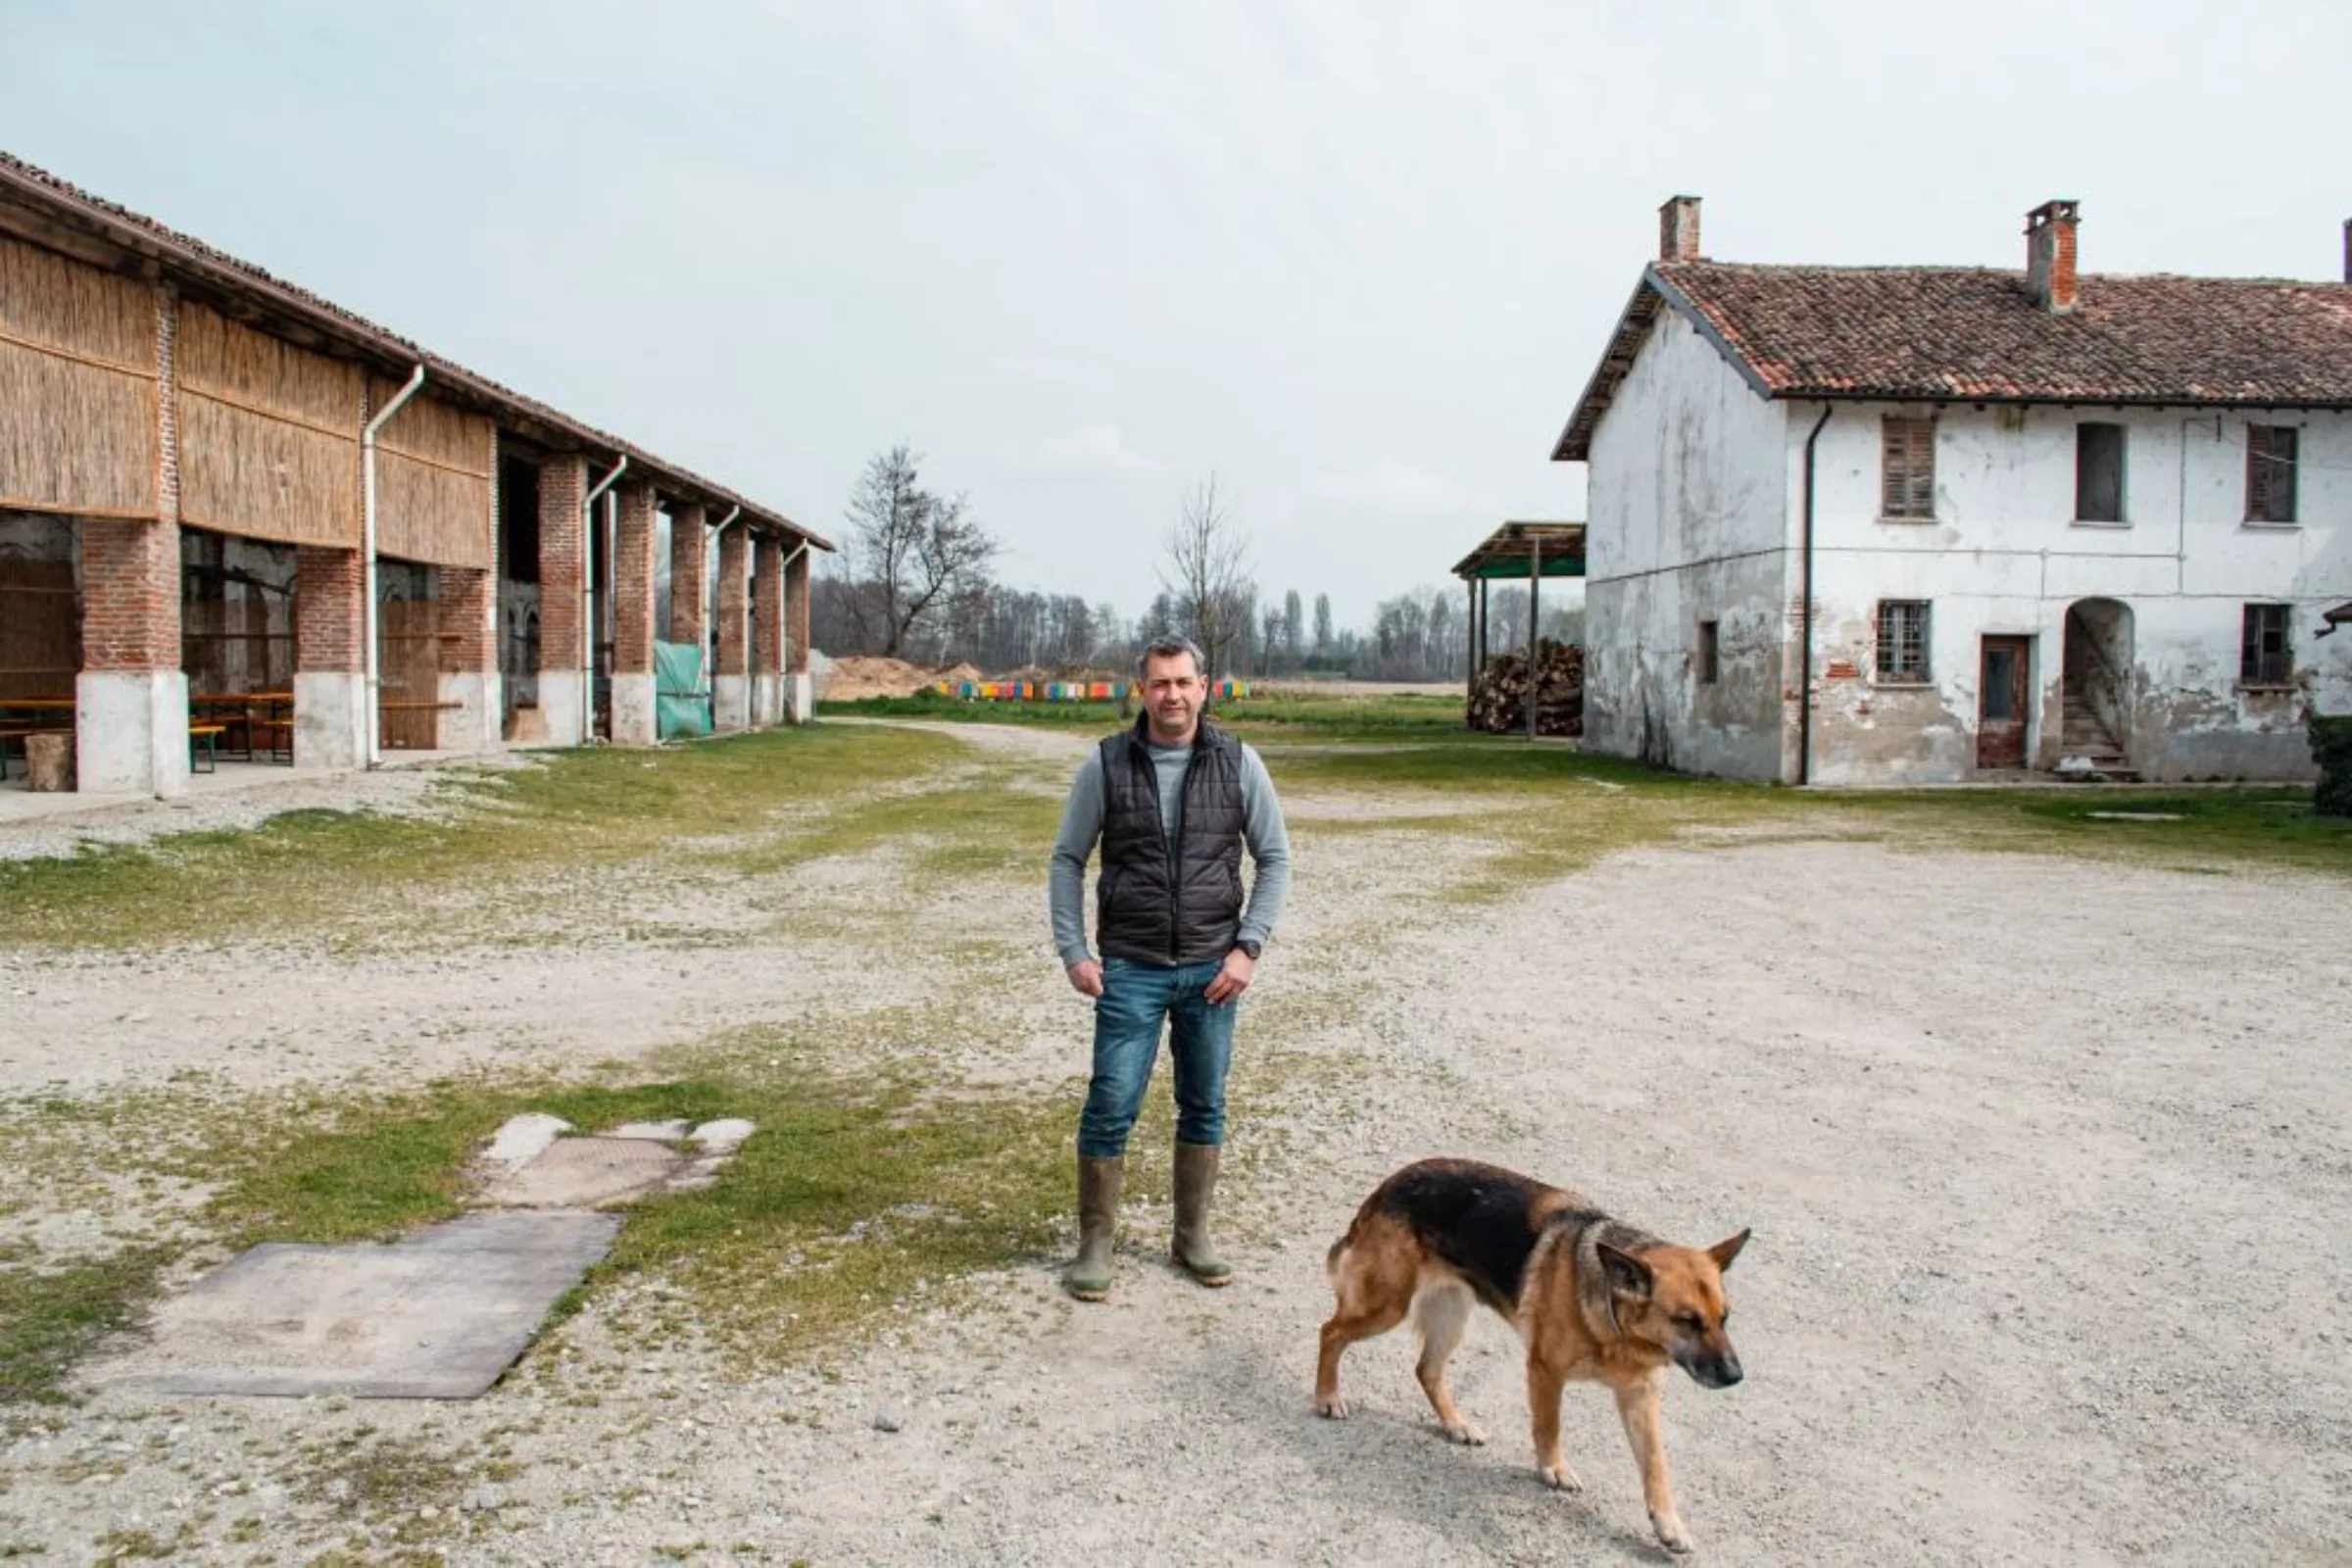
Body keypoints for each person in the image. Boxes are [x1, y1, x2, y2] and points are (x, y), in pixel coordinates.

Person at [1048, 636, 1291, 1301]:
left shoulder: (1239, 762)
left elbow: (1275, 858)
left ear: (1204, 687)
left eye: (1183, 682)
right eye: (1160, 684)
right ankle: (1095, 1244)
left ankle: (1192, 1237)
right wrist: (1075, 950)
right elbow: (1068, 857)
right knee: (1110, 1105)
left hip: (1213, 971)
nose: (1172, 695)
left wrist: (1249, 949)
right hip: (1131, 966)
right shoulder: (1107, 764)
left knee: (1204, 1106)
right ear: (1142, 690)